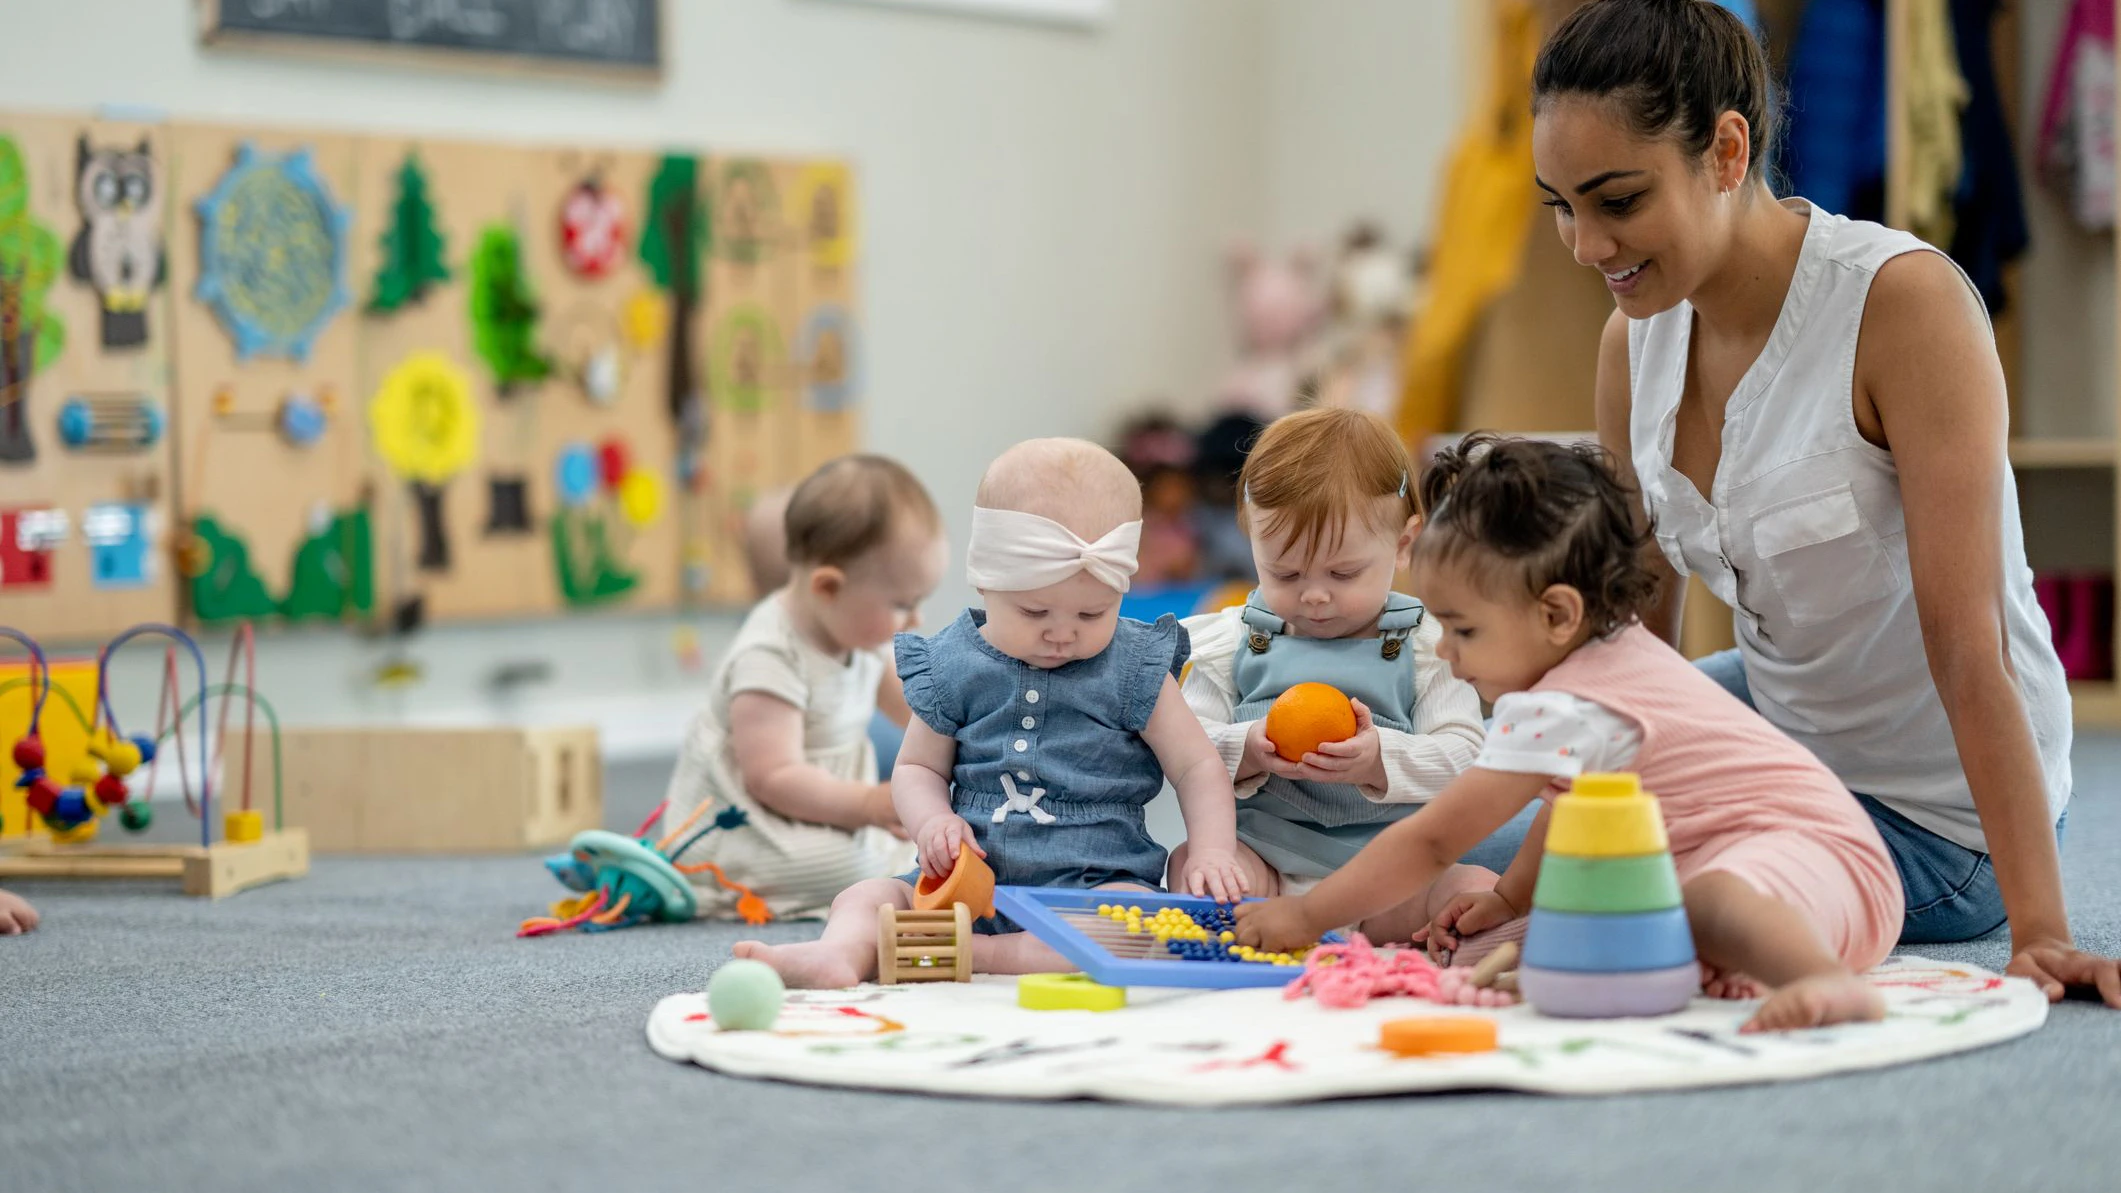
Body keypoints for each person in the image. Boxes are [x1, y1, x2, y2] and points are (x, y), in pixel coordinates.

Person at [1535, 0, 2118, 1005]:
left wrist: (2043, 933)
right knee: (1502, 791)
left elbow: (1967, 642)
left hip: (1943, 818)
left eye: (1617, 200)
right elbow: (1640, 643)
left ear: (1726, 151)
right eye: (1560, 204)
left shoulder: (1904, 308)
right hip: (1783, 714)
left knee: (1658, 898)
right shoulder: (1633, 342)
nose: (1586, 245)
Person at [1235, 436, 1905, 1032]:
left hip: (1818, 864)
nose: (1446, 653)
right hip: (1793, 879)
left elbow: (1434, 837)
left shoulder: (1560, 704)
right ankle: (1728, 957)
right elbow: (1566, 805)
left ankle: (1820, 979)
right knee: (1558, 936)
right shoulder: (1606, 659)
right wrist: (1507, 895)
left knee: (1707, 900)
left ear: (1557, 614)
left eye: (1462, 630)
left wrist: (1303, 916)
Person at [734, 438, 1248, 987]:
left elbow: (1196, 767)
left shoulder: (1134, 666)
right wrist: (934, 822)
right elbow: (917, 769)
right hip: (965, 882)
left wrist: (1213, 850)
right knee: (866, 896)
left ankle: (979, 955)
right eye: (1033, 610)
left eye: (1092, 612)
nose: (1061, 631)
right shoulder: (954, 662)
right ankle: (838, 955)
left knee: (1135, 928)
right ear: (985, 580)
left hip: (1092, 885)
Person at [1179, 407, 1512, 942]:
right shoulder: (1232, 641)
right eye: (1284, 572)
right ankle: (1252, 933)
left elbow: (1467, 757)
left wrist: (1381, 758)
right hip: (1265, 865)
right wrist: (1246, 747)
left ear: (1405, 544)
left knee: (1474, 885)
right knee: (1193, 866)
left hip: (1388, 877)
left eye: (1343, 573)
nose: (1314, 594)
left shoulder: (1428, 646)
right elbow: (1184, 747)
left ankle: (1450, 939)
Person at [658, 456, 940, 918]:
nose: (916, 620)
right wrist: (868, 802)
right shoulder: (769, 656)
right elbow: (772, 778)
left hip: (832, 813)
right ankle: (712, 877)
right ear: (829, 587)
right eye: (902, 604)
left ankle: (887, 870)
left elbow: (920, 709)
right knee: (860, 866)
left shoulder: (861, 635)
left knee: (907, 851)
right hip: (754, 826)